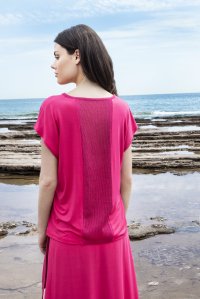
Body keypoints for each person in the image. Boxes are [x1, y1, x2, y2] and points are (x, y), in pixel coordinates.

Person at [34, 24, 139, 299]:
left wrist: (42, 232)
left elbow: (48, 181)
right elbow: (126, 180)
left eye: (58, 56)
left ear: (77, 55)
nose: (53, 64)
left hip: (67, 238)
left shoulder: (53, 107)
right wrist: (114, 222)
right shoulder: (121, 109)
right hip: (114, 239)